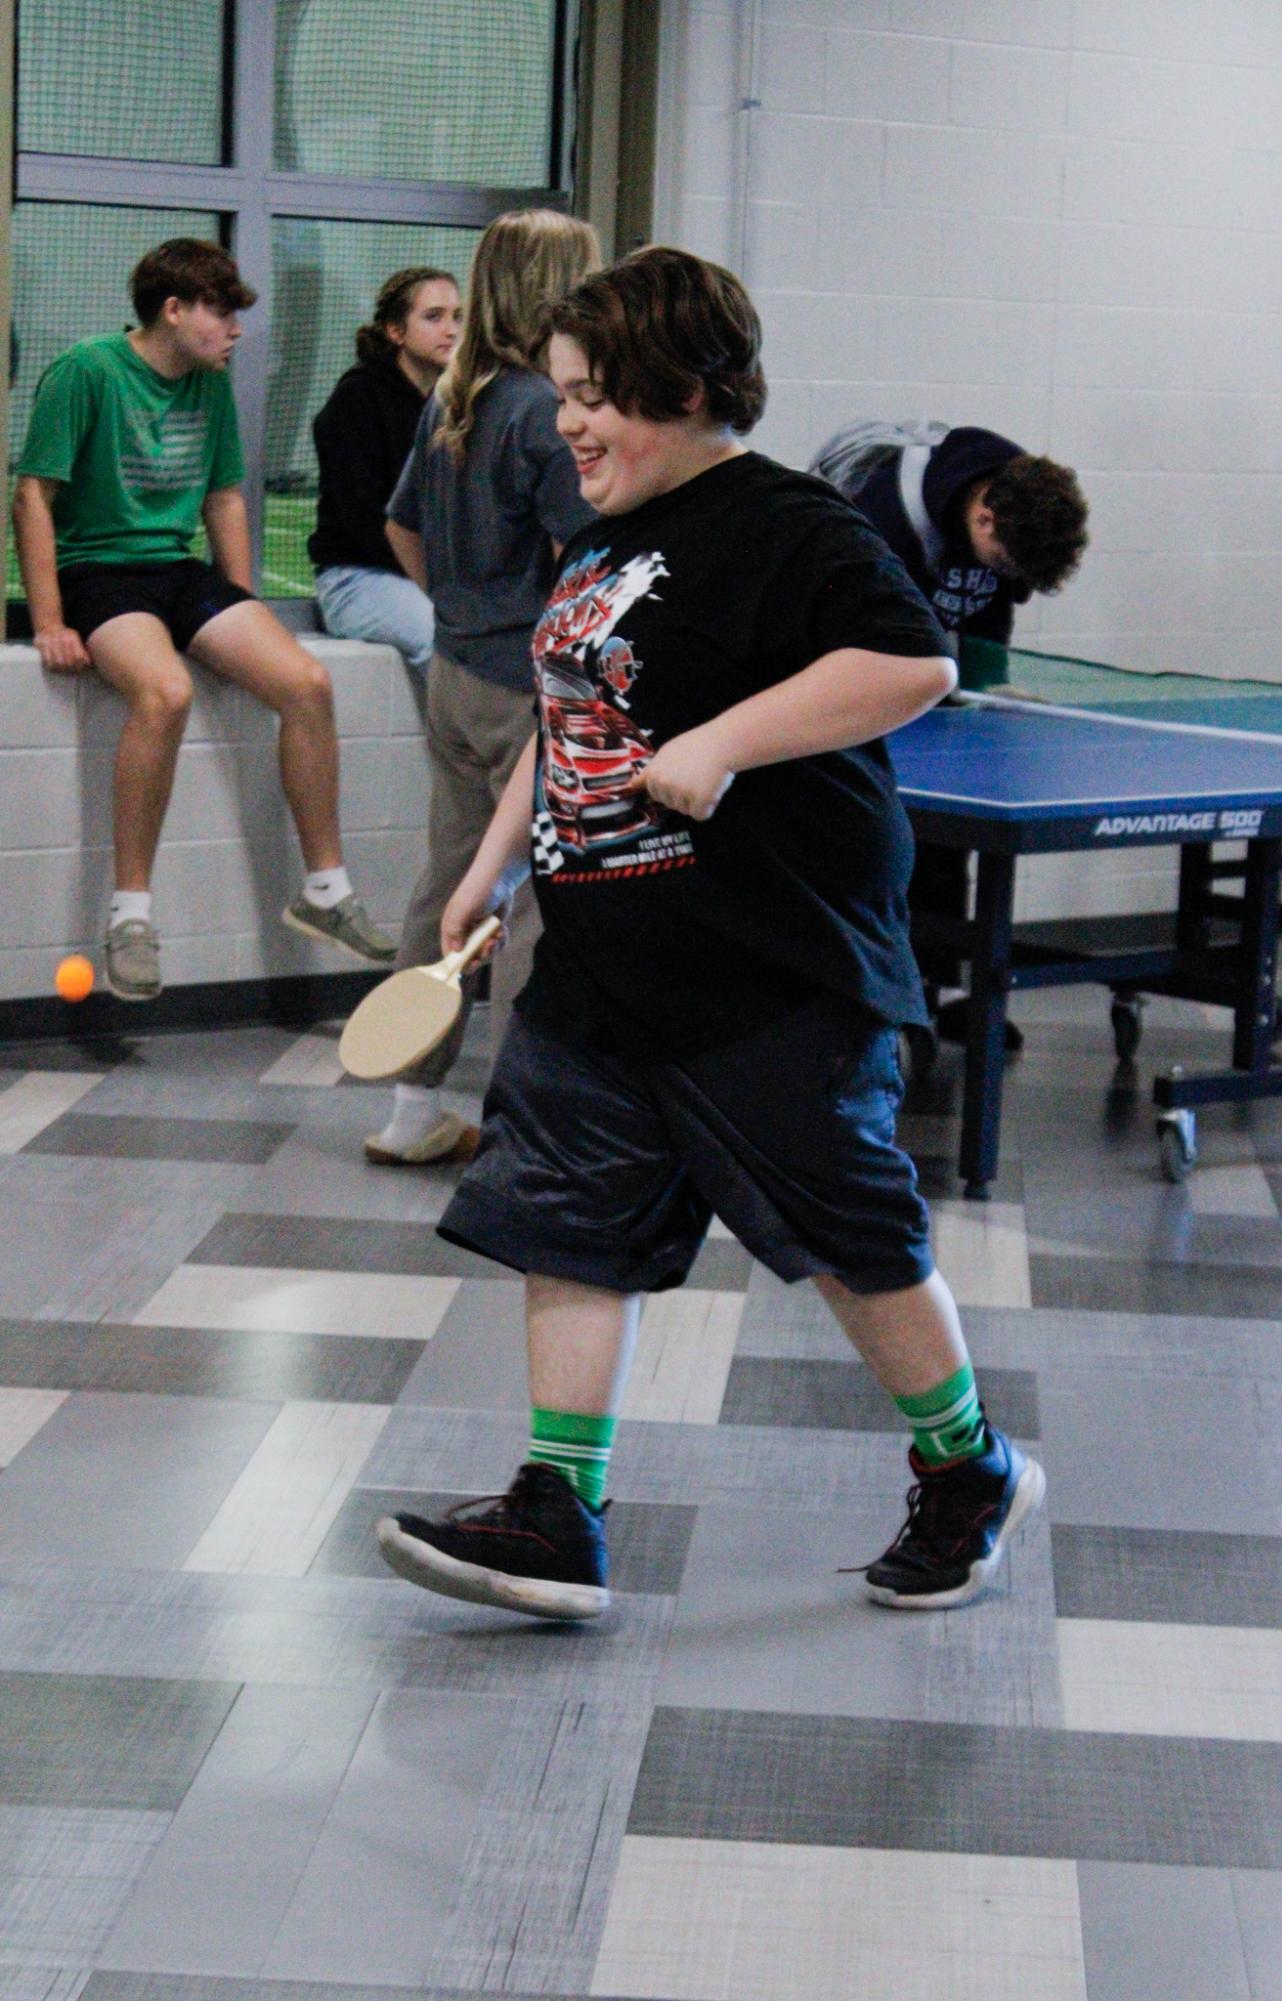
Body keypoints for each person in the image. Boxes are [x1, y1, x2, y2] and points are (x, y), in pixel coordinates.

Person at [374, 246, 1046, 1623]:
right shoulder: (601, 532)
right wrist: (495, 870)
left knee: (850, 1234)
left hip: (769, 970)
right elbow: (566, 713)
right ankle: (559, 1510)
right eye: (561, 394)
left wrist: (726, 742)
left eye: (592, 397)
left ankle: (967, 1469)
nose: (568, 424)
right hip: (606, 960)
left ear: (682, 387)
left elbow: (910, 662)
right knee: (565, 1214)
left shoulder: (788, 525)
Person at [12, 237, 394, 1003]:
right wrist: (51, 619)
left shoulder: (209, 386)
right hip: (100, 572)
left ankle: (325, 886)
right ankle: (130, 917)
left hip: (175, 571)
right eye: (220, 313)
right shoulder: (86, 372)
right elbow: (33, 496)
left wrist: (240, 601)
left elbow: (222, 498)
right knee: (166, 693)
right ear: (173, 309)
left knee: (307, 681)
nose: (235, 330)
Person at [365, 208, 601, 1167]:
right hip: (523, 694)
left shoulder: (455, 397)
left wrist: (462, 608)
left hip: (456, 674)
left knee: (452, 887)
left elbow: (402, 528)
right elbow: (588, 556)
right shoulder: (548, 412)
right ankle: (527, 1126)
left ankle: (410, 1108)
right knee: (541, 901)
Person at [811, 420, 1089, 1050]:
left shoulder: (1019, 517)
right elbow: (846, 634)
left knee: (950, 839)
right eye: (1002, 562)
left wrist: (989, 687)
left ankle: (938, 993)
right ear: (983, 519)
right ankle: (863, 999)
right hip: (850, 673)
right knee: (873, 840)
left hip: (929, 692)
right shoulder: (885, 516)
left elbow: (989, 621)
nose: (1003, 574)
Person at [309, 266, 462, 684]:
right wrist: (437, 582)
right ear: (396, 331)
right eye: (433, 317)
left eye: (457, 316)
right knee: (446, 640)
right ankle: (473, 748)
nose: (450, 330)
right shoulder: (357, 399)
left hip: (423, 576)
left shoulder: (451, 403)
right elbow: (365, 523)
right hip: (358, 579)